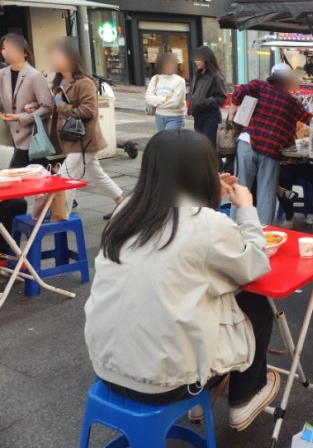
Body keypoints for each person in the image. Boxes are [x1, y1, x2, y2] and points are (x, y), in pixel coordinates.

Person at [85, 130, 280, 432]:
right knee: (256, 303)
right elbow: (254, 265)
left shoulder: (125, 210)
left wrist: (208, 201)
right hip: (166, 382)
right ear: (202, 172)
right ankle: (244, 398)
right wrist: (246, 208)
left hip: (107, 369)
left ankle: (203, 402)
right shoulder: (207, 225)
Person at [228, 63, 313, 225]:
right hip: (271, 149)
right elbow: (311, 120)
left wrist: (232, 112)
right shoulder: (292, 102)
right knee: (266, 193)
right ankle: (264, 233)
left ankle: (233, 228)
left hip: (248, 142)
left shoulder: (259, 86)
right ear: (287, 81)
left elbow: (239, 92)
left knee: (240, 188)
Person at [48, 42, 123, 218]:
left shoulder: (84, 82)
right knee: (97, 174)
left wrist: (63, 106)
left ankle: (61, 214)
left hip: (84, 140)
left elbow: (88, 111)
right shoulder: (60, 82)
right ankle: (122, 203)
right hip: (70, 139)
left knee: (66, 176)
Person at [0, 33, 54, 168]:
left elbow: (48, 107)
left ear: (24, 52)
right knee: (38, 173)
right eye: (3, 48)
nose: (5, 51)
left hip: (31, 136)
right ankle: (56, 180)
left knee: (14, 173)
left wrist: (20, 117)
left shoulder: (34, 76)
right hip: (14, 137)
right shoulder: (2, 75)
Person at [189, 46, 227, 148]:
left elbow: (222, 98)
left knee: (208, 147)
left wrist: (205, 102)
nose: (195, 61)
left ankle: (213, 164)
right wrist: (192, 105)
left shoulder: (216, 76)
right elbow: (194, 93)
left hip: (210, 116)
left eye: (198, 59)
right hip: (198, 115)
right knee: (199, 146)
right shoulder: (197, 75)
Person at [145, 52, 187, 131]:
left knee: (170, 141)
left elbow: (175, 103)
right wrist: (163, 99)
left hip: (175, 117)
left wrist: (156, 103)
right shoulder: (155, 78)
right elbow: (148, 98)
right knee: (163, 142)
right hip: (159, 117)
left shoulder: (179, 81)